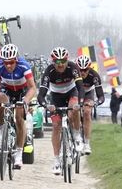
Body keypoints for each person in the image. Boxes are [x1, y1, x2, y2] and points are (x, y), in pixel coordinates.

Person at [0, 43, 36, 169]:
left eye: (11, 62)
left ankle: (19, 153)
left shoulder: (24, 65)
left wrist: (25, 101)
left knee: (19, 118)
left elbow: (32, 88)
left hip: (22, 90)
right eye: (5, 62)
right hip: (7, 88)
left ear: (16, 60)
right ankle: (2, 131)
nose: (8, 65)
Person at [37, 47, 85, 175]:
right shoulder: (49, 72)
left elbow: (81, 88)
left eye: (63, 61)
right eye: (58, 62)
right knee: (56, 125)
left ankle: (76, 135)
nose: (61, 64)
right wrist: (47, 106)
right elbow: (40, 95)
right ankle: (57, 161)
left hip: (71, 92)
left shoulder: (73, 67)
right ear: (53, 62)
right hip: (56, 97)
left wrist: (80, 104)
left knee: (73, 109)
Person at [74, 55, 104, 155]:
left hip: (88, 93)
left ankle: (87, 143)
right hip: (75, 92)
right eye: (80, 70)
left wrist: (94, 103)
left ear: (89, 68)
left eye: (85, 70)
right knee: (73, 110)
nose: (82, 72)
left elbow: (101, 97)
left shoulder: (94, 76)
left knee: (87, 112)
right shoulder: (73, 73)